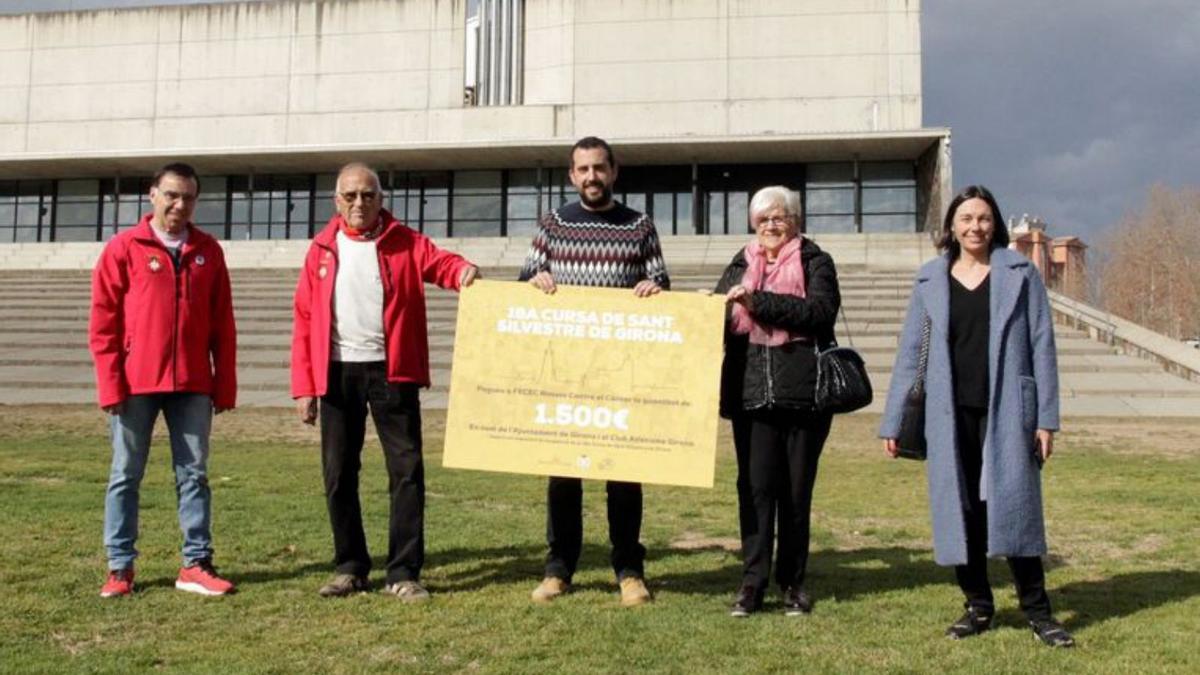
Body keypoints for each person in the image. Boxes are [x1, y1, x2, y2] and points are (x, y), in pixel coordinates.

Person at [879, 185, 1075, 648]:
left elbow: (1041, 345)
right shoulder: (931, 278)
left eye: (983, 218)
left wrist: (1046, 419)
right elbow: (910, 353)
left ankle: (1039, 612)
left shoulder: (1020, 273)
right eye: (966, 218)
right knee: (961, 510)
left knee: (1014, 508)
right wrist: (892, 422)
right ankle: (978, 606)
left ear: (996, 223)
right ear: (951, 226)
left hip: (1008, 411)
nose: (975, 227)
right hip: (948, 415)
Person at [291, 162, 479, 602]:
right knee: (339, 473)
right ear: (337, 201)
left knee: (407, 471)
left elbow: (442, 264)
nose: (360, 203)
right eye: (351, 196)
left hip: (393, 372)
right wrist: (304, 386)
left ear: (381, 199)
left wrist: (463, 271)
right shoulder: (320, 249)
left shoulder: (405, 241)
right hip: (337, 372)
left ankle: (403, 571)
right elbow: (303, 321)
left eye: (368, 195)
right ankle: (350, 566)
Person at [520, 136, 670, 607]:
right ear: (572, 175)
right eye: (582, 169)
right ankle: (558, 570)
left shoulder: (639, 225)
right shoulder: (553, 224)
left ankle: (629, 571)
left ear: (614, 170)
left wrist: (653, 288)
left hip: (619, 375)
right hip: (565, 374)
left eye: (598, 168)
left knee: (624, 474)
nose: (591, 177)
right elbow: (524, 285)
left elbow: (662, 284)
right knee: (563, 475)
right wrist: (535, 282)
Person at [89, 162, 238, 598]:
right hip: (135, 384)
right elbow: (104, 323)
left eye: (188, 197)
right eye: (172, 194)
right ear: (152, 194)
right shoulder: (123, 248)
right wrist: (110, 383)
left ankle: (195, 563)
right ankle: (120, 567)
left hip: (192, 384)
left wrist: (223, 384)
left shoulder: (209, 251)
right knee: (124, 475)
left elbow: (221, 325)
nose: (179, 204)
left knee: (194, 475)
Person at [713, 186, 840, 617]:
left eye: (779, 217)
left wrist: (756, 301)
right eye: (763, 218)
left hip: (804, 396)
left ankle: (793, 582)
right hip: (750, 396)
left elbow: (819, 313)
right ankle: (752, 583)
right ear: (753, 223)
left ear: (795, 221)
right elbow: (719, 317)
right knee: (755, 492)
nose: (771, 225)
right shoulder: (739, 263)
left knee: (795, 494)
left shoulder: (815, 261)